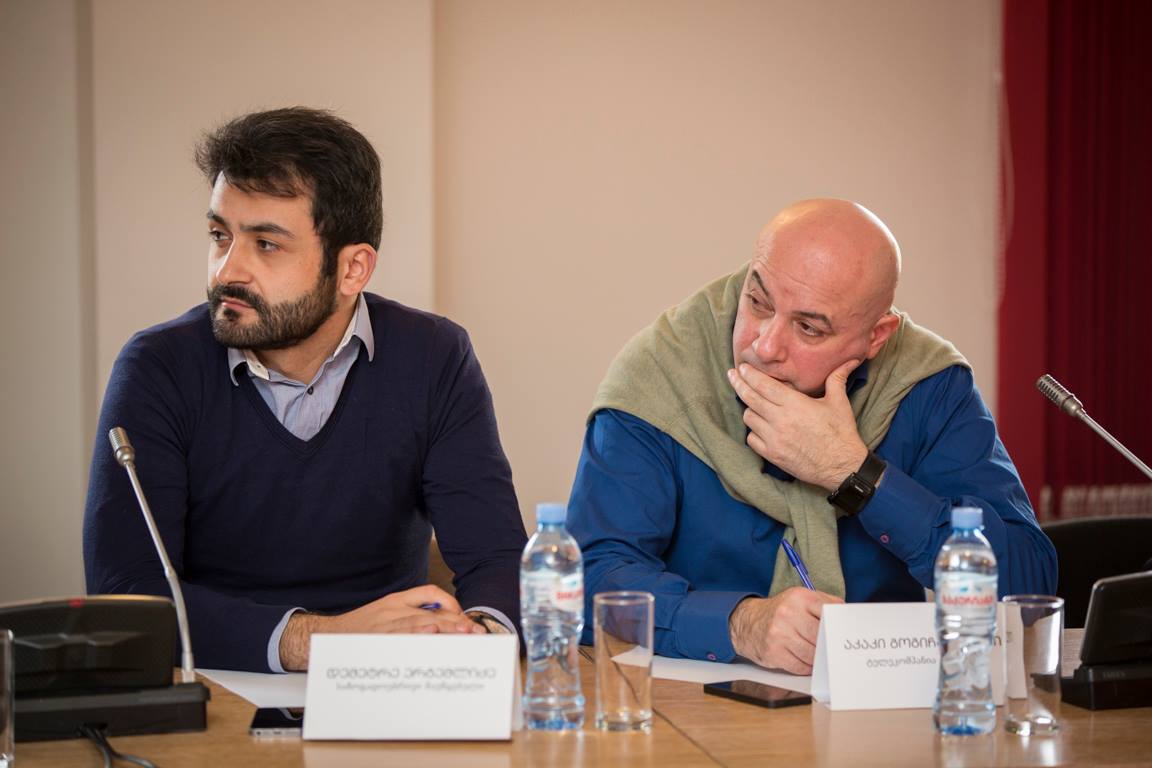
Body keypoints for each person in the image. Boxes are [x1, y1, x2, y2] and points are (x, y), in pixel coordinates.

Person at [83, 107, 527, 672]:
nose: (227, 272)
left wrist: (479, 638)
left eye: (266, 244)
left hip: (389, 684)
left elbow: (496, 555)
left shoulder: (434, 356)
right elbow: (128, 592)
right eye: (220, 236)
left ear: (353, 269)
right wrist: (324, 641)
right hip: (220, 686)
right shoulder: (158, 367)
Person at [567, 199, 1056, 675]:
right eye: (758, 302)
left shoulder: (926, 383)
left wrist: (854, 473)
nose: (764, 346)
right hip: (692, 705)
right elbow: (589, 582)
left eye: (807, 328)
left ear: (876, 337)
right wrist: (739, 624)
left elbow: (1027, 587)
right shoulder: (660, 373)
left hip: (881, 697)